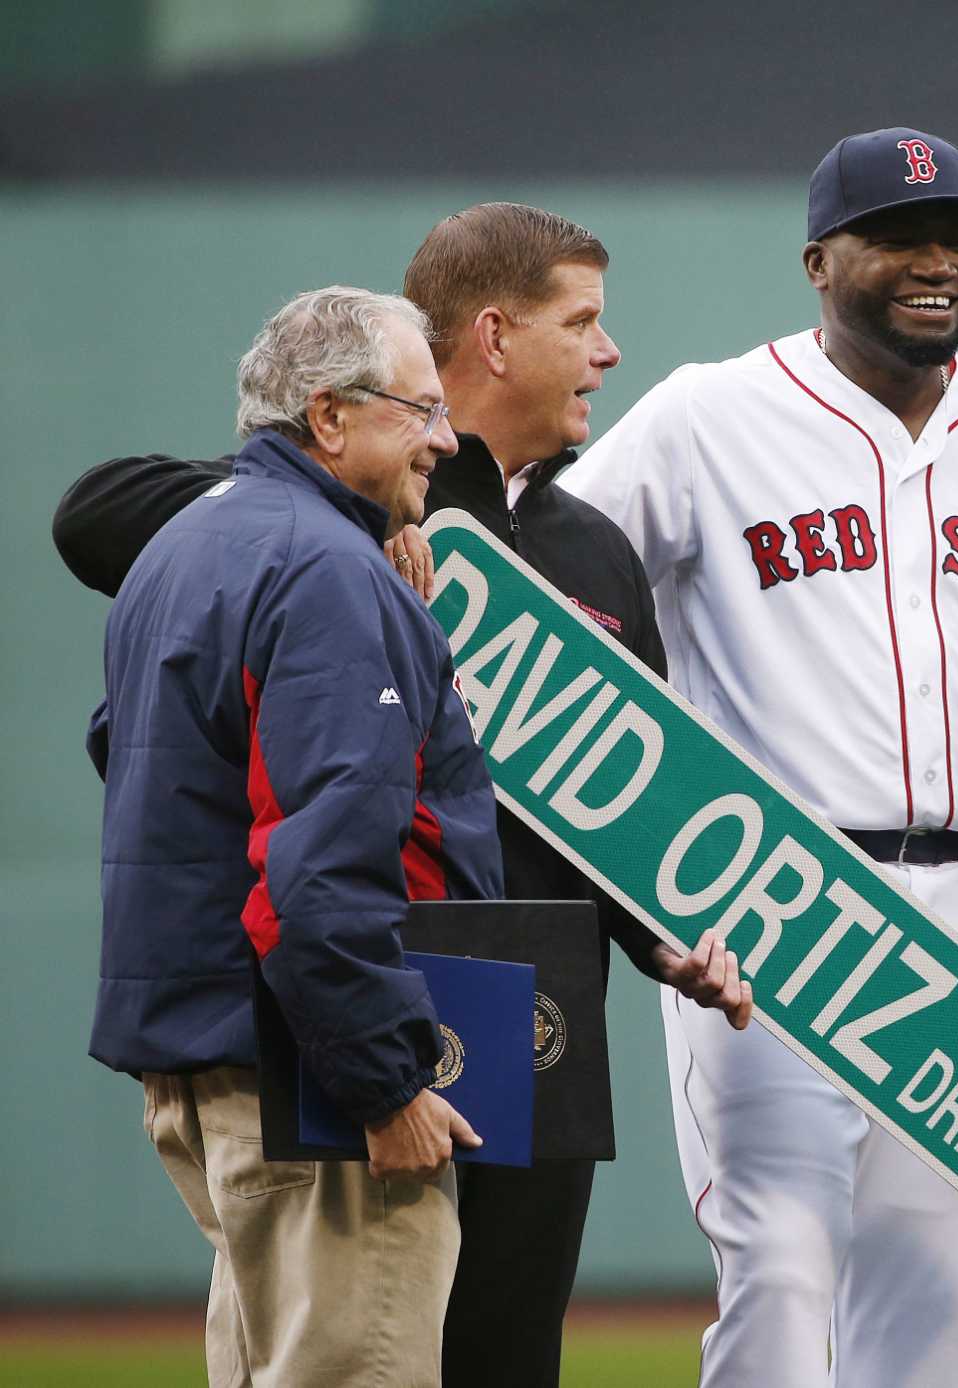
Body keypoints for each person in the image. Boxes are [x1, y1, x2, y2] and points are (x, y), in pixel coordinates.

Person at [54, 203, 753, 1388]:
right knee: (363, 1344)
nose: (606, 350)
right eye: (581, 319)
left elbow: (626, 798)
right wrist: (324, 510)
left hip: (519, 1012)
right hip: (365, 1011)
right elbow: (93, 512)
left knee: (485, 1350)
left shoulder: (589, 547)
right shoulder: (315, 537)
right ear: (489, 335)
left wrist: (666, 938)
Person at [558, 127, 958, 1387]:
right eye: (896, 237)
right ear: (817, 259)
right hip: (773, 892)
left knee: (926, 1289)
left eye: (954, 236)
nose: (934, 261)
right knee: (781, 1275)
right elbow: (553, 570)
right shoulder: (706, 414)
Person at [91, 287, 499, 1386]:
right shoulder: (323, 569)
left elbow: (135, 761)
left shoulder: (185, 544)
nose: (446, 438)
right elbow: (316, 867)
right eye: (419, 410)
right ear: (329, 416)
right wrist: (381, 1079)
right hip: (308, 1079)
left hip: (212, 1058)